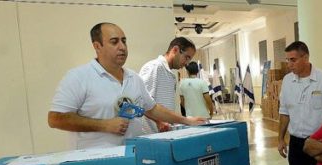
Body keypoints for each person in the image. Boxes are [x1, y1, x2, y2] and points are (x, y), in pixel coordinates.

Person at [48, 23, 205, 149]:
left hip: (133, 157)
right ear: (97, 46)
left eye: (124, 40)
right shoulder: (78, 77)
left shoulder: (133, 78)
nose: (122, 46)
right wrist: (104, 125)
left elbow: (152, 108)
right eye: (114, 42)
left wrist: (186, 121)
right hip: (95, 164)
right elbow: (55, 119)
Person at [277, 41, 322, 165]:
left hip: (320, 143)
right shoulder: (287, 81)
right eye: (287, 60)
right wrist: (280, 139)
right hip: (297, 143)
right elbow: (284, 112)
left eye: (293, 60)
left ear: (305, 58)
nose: (289, 64)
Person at [139, 37, 196, 132]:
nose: (187, 63)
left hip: (164, 134)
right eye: (186, 57)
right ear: (175, 50)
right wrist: (158, 122)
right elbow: (141, 102)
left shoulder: (171, 75)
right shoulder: (154, 67)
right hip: (150, 136)